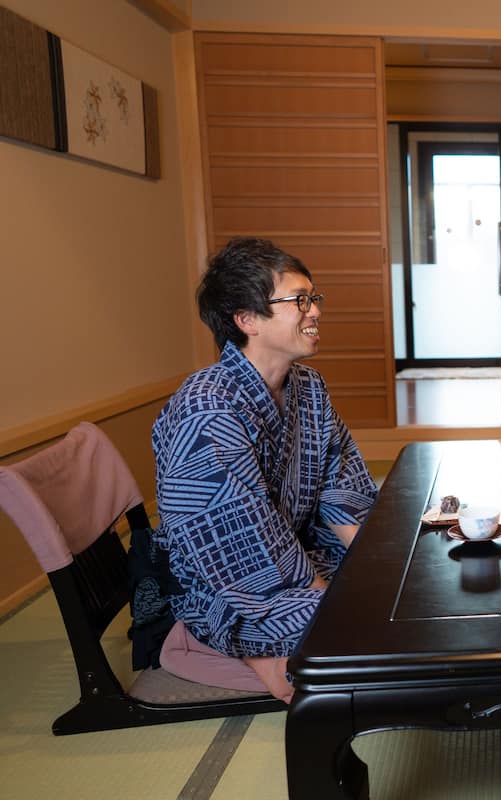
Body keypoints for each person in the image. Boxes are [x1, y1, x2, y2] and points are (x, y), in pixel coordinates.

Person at [152, 237, 378, 702]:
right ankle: (201, 642)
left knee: (399, 593)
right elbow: (242, 544)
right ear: (247, 319)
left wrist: (380, 568)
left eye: (314, 298)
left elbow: (343, 487)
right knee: (363, 624)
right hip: (227, 586)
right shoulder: (207, 409)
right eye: (299, 300)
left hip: (292, 553)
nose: (313, 311)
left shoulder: (308, 387)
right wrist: (327, 597)